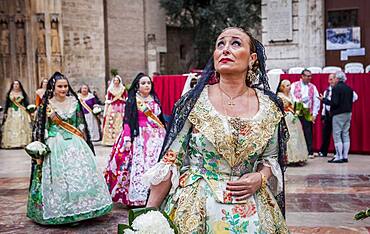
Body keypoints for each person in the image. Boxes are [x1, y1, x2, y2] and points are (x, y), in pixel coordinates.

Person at [143, 27, 289, 233]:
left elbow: (271, 159)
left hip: (252, 209)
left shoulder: (269, 107)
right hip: (196, 208)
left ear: (252, 58)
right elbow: (170, 161)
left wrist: (260, 177)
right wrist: (147, 216)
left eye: (235, 43)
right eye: (220, 44)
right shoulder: (194, 102)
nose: (225, 49)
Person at [27, 72, 112, 225]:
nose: (63, 89)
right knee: (61, 177)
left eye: (65, 86)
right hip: (55, 143)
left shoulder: (74, 102)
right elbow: (42, 127)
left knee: (80, 175)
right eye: (60, 86)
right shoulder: (47, 105)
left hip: (75, 143)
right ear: (53, 87)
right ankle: (64, 212)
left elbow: (79, 123)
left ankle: (85, 208)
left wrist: (83, 139)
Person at [105, 73, 166, 206]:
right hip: (139, 137)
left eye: (148, 83)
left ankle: (155, 196)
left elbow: (160, 118)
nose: (146, 85)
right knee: (138, 166)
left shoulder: (154, 99)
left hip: (156, 138)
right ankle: (138, 198)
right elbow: (127, 121)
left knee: (155, 166)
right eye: (143, 83)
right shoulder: (132, 100)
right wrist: (127, 138)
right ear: (137, 86)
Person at [319, 71, 357, 163]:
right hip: (348, 113)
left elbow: (334, 103)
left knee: (337, 135)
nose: (333, 80)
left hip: (338, 114)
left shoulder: (336, 88)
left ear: (338, 79)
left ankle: (339, 156)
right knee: (345, 134)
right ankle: (345, 156)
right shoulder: (349, 88)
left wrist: (324, 100)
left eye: (335, 78)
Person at [277, 80, 308, 165]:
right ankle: (290, 158)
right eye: (287, 85)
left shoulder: (291, 95)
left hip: (293, 118)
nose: (289, 87)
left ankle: (298, 157)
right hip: (286, 118)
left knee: (297, 136)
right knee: (289, 137)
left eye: (289, 85)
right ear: (282, 87)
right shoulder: (280, 96)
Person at [290, 69, 320, 158]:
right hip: (297, 111)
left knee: (308, 132)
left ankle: (309, 151)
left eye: (310, 76)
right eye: (307, 76)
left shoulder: (313, 87)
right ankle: (298, 152)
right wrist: (299, 101)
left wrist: (314, 114)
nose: (309, 78)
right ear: (302, 76)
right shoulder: (294, 85)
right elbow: (290, 97)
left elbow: (316, 100)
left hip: (307, 112)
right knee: (296, 132)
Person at [1, 80, 32, 148]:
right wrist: (5, 112)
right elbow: (7, 104)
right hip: (11, 112)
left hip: (21, 112)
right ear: (12, 85)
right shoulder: (10, 93)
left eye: (17, 84)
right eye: (14, 84)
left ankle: (22, 142)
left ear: (19, 85)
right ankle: (12, 144)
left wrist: (28, 111)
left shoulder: (22, 93)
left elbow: (26, 103)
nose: (16, 85)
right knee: (12, 127)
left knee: (21, 127)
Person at [101, 75, 127, 146]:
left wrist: (123, 100)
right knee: (111, 121)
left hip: (121, 107)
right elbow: (108, 99)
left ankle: (120, 139)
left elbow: (126, 97)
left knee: (120, 121)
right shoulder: (110, 90)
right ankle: (110, 140)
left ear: (119, 81)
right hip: (112, 107)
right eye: (115, 80)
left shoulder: (123, 89)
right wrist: (110, 102)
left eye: (117, 80)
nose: (116, 82)